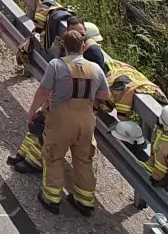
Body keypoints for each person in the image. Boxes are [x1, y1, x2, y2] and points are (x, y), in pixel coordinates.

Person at [29, 29, 109, 215]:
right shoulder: (95, 69)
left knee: (53, 155)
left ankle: (52, 198)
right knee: (83, 159)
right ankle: (84, 201)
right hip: (86, 120)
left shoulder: (56, 65)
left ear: (64, 46)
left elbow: (43, 91)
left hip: (61, 119)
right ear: (83, 47)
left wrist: (33, 110)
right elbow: (105, 95)